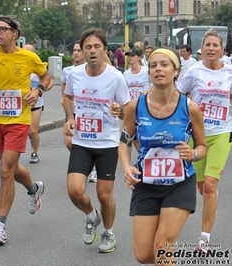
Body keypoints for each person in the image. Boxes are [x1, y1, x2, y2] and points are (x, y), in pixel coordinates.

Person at [119, 47, 207, 265]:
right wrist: (126, 166)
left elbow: (203, 146)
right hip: (146, 184)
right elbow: (124, 140)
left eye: (164, 64)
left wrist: (194, 153)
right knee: (144, 255)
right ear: (149, 72)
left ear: (176, 71)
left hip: (179, 183)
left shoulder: (190, 108)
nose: (158, 69)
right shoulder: (134, 106)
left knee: (163, 247)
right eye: (153, 65)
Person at [0, 16, 52, 245]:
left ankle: (0, 226)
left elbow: (46, 77)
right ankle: (34, 189)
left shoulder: (28, 57)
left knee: (5, 169)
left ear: (15, 33)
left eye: (3, 29)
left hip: (20, 120)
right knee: (12, 167)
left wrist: (37, 91)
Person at [63, 28, 130, 253]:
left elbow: (127, 111)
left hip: (107, 143)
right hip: (82, 141)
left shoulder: (115, 77)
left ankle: (108, 233)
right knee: (74, 190)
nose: (92, 51)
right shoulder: (75, 74)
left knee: (104, 194)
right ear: (81, 51)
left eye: (97, 47)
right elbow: (69, 97)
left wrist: (119, 111)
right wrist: (70, 118)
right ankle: (92, 216)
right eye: (88, 47)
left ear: (104, 50)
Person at [178, 28, 232, 254]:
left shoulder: (230, 70)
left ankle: (204, 239)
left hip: (222, 132)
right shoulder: (194, 71)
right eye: (207, 45)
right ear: (202, 50)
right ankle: (211, 196)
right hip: (197, 135)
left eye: (215, 45)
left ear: (222, 49)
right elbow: (178, 96)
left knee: (209, 186)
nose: (211, 49)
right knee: (202, 186)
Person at [61, 41, 98, 182]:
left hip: (87, 111)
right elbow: (65, 91)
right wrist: (64, 101)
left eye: (78, 50)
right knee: (69, 142)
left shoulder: (92, 70)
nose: (76, 53)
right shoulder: (67, 71)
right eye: (74, 50)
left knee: (88, 143)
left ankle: (92, 167)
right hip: (73, 112)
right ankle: (85, 162)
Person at [23, 44, 54, 164]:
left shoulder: (37, 69)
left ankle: (34, 152)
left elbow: (49, 82)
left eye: (29, 52)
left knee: (32, 131)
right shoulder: (19, 67)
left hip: (36, 104)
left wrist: (39, 91)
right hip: (22, 105)